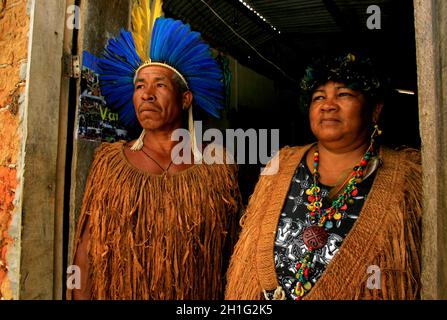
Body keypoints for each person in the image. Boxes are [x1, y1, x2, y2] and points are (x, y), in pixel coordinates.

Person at [70, 0, 241, 300]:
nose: (146, 95)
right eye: (139, 86)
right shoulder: (109, 164)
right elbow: (86, 249)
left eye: (159, 85)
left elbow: (233, 255)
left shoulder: (217, 168)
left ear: (186, 99)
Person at [225, 53, 422, 300]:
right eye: (319, 96)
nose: (328, 104)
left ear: (375, 109)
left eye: (343, 94)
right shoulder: (281, 163)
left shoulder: (408, 179)